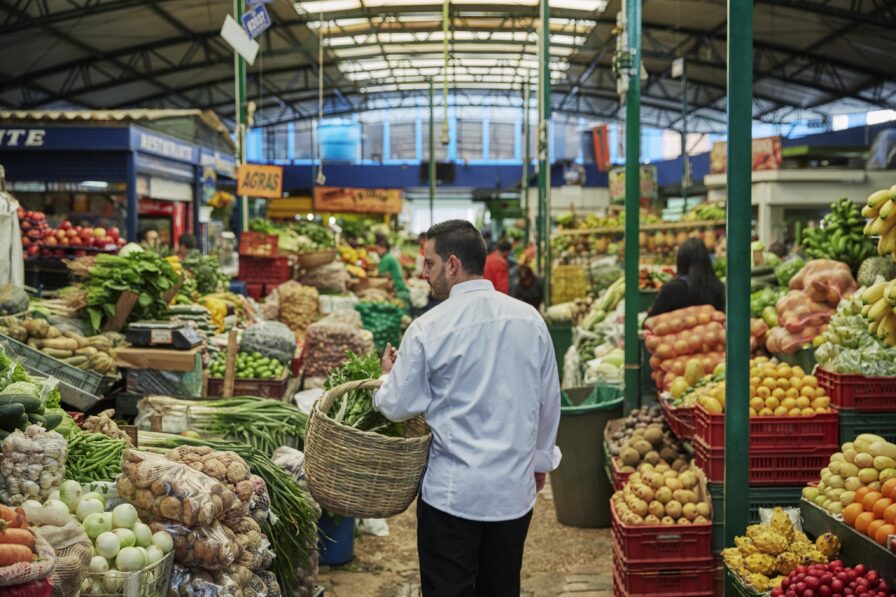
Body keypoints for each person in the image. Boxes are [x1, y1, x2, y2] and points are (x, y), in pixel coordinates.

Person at [373, 220, 561, 597]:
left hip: (452, 495)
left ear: (453, 264)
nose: (423, 273)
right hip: (511, 492)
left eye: (429, 263)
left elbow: (395, 406)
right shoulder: (530, 320)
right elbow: (549, 401)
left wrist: (386, 378)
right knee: (501, 587)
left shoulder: (428, 328)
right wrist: (540, 462)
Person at [648, 237, 725, 317]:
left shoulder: (671, 288)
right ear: (706, 260)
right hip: (711, 329)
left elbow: (649, 321)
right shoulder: (718, 288)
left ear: (680, 260)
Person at [374, 235, 410, 306]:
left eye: (378, 249)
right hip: (401, 287)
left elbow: (380, 274)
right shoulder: (389, 256)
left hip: (398, 290)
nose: (376, 252)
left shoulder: (386, 258)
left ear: (384, 249)